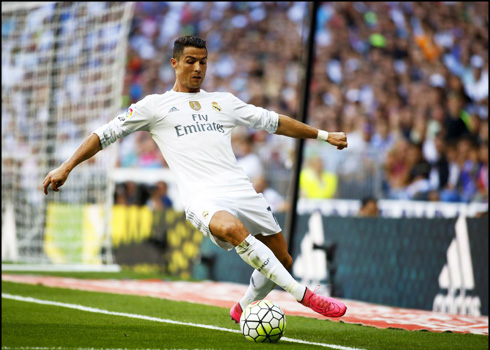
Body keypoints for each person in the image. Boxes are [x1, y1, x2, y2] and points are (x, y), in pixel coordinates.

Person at [43, 35, 348, 321]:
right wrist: (66, 166)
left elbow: (274, 122)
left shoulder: (223, 102)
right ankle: (303, 295)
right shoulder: (154, 106)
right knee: (231, 229)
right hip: (202, 197)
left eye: (203, 61)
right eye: (190, 61)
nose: (198, 67)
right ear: (174, 63)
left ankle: (242, 309)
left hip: (240, 189)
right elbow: (105, 134)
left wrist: (323, 135)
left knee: (283, 259)